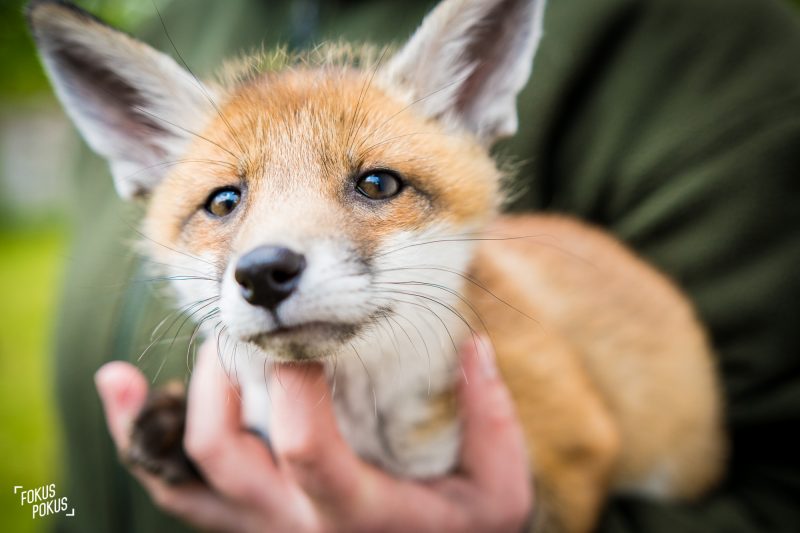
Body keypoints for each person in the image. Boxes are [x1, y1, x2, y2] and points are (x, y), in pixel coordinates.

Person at [52, 0, 800, 531]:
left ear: (473, 103)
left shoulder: (711, 39)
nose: (265, 253)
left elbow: (587, 456)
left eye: (374, 184)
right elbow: (58, 505)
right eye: (222, 202)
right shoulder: (173, 24)